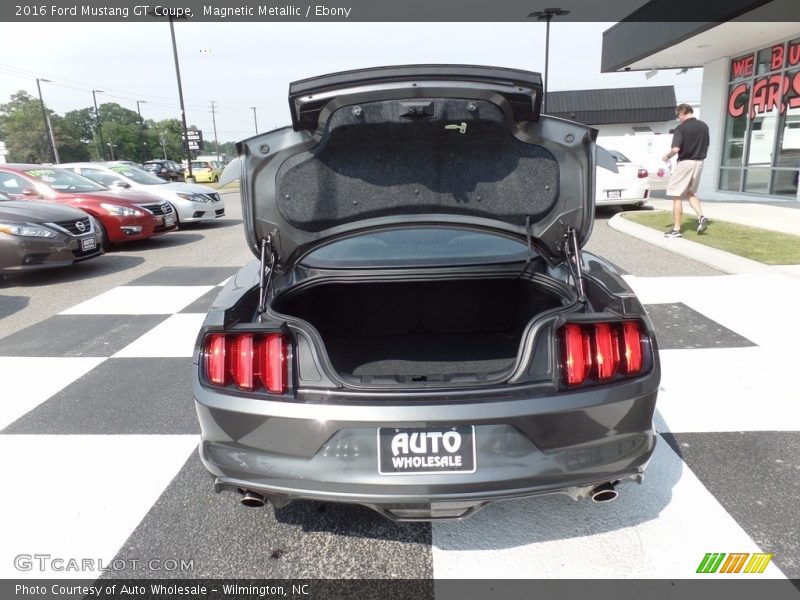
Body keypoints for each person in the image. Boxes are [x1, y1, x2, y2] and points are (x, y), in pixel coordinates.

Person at [662, 104, 710, 238]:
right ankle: (701, 216)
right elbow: (706, 145)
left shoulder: (680, 128)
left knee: (676, 194)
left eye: (678, 116)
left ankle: (676, 229)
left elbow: (676, 149)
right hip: (699, 162)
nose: (678, 119)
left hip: (685, 162)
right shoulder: (704, 126)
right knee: (690, 192)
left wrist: (667, 157)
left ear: (683, 113)